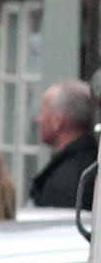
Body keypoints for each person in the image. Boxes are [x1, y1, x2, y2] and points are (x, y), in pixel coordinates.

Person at [26, 81, 96, 211]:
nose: (38, 119)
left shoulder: (67, 182)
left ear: (57, 121)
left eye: (42, 111)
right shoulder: (90, 165)